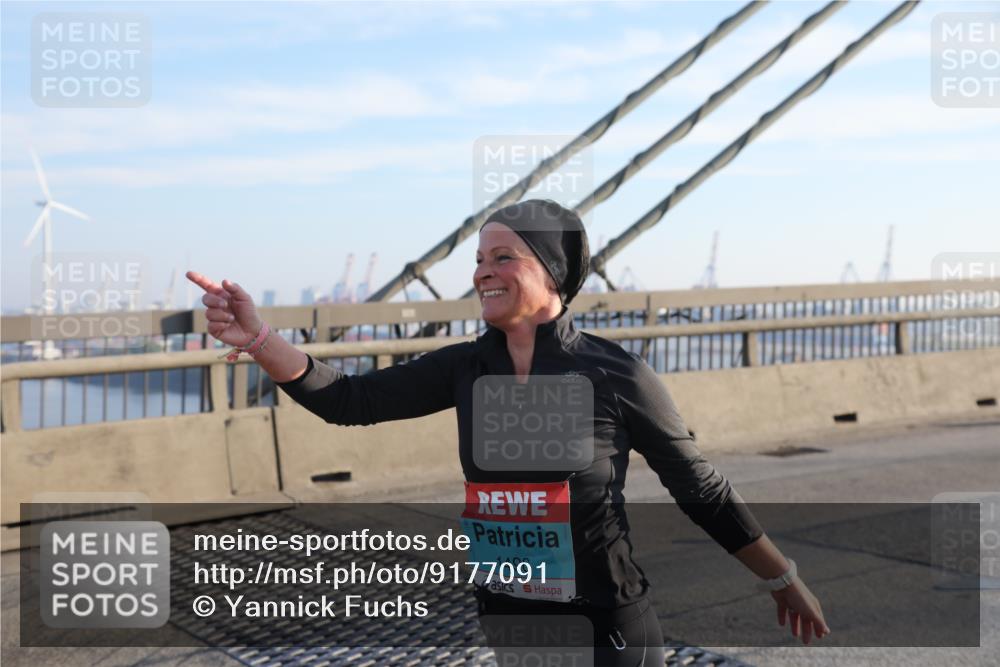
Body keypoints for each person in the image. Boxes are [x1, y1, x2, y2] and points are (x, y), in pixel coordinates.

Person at [186, 199, 829, 665]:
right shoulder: (468, 366)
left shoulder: (613, 372)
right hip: (511, 617)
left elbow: (701, 489)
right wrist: (261, 340)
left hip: (605, 623)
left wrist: (781, 577)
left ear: (550, 273)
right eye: (478, 260)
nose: (481, 272)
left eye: (503, 257)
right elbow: (352, 400)